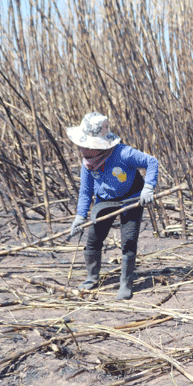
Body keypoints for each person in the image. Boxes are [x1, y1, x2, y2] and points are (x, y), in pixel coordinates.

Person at [67, 111, 158, 300]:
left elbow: (151, 161)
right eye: (82, 145)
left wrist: (148, 187)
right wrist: (79, 216)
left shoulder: (123, 153)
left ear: (99, 146)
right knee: (94, 238)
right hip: (105, 200)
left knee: (128, 240)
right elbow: (85, 191)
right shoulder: (88, 163)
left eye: (87, 146)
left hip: (132, 198)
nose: (82, 149)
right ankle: (92, 277)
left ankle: (126, 284)